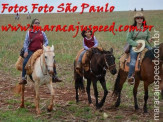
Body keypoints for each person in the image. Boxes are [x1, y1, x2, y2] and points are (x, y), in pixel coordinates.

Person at [19, 18, 62, 84]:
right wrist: (26, 51)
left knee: (52, 60)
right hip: (31, 51)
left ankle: (54, 76)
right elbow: (26, 43)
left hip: (40, 50)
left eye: (38, 23)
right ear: (33, 24)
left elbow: (46, 40)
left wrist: (44, 46)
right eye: (36, 23)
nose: (37, 24)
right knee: (25, 62)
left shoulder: (42, 32)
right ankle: (23, 78)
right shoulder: (29, 33)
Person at [127, 12, 153, 85]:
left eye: (141, 18)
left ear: (143, 19)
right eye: (138, 18)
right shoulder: (132, 28)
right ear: (135, 19)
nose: (139, 19)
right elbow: (128, 39)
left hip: (144, 45)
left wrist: (149, 39)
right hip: (135, 46)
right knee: (133, 62)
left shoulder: (145, 28)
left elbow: (148, 37)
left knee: (154, 53)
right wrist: (135, 44)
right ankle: (130, 77)